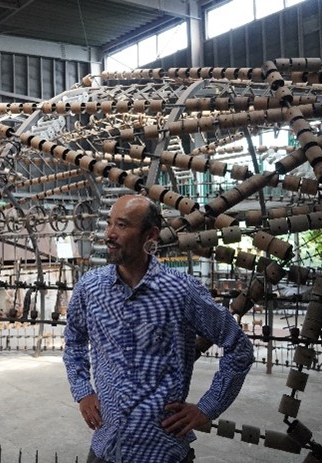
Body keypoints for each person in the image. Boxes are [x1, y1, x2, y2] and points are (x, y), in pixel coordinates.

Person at [63, 195, 253, 463]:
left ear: (150, 235)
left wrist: (206, 408)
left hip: (162, 450)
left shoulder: (181, 291)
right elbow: (74, 341)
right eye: (109, 223)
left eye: (121, 225)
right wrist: (83, 390)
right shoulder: (90, 288)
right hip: (107, 448)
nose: (109, 234)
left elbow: (239, 348)